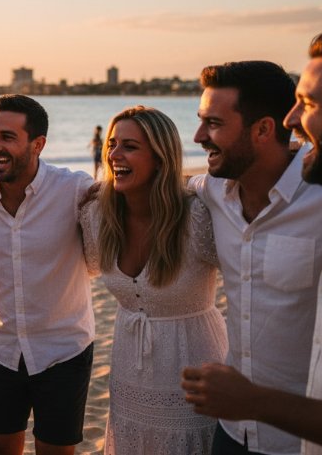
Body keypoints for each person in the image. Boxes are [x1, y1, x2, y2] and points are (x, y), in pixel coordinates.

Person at [183, 26, 322, 455]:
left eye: (310, 104)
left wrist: (254, 401)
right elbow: (177, 182)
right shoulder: (216, 193)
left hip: (295, 439)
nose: (292, 121)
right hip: (232, 432)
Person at [188, 60, 322, 455]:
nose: (198, 136)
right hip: (231, 431)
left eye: (214, 124)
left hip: (305, 438)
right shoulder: (212, 191)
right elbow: (168, 186)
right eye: (201, 121)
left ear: (262, 129)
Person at [79, 106, 226, 453]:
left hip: (194, 372)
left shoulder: (197, 216)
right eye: (112, 144)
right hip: (129, 372)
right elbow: (76, 266)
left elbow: (249, 277)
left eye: (129, 146)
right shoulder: (98, 216)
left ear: (160, 158)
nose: (114, 154)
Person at [0, 94, 95, 455]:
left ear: (38, 144)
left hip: (64, 350)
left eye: (7, 137)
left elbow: (102, 254)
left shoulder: (74, 189)